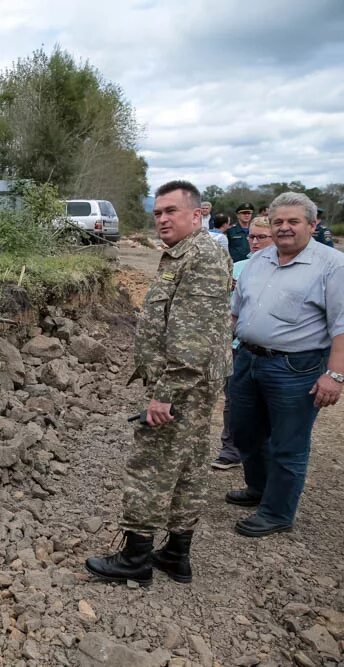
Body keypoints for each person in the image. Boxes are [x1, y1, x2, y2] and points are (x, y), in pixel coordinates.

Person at [85, 181, 232, 585]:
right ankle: (175, 554)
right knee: (187, 467)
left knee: (150, 466)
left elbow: (191, 340)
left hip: (183, 387)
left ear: (197, 214)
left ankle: (136, 558)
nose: (163, 219)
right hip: (192, 386)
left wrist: (164, 396)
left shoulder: (199, 257)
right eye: (158, 212)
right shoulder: (187, 254)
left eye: (172, 211)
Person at [226, 192, 344, 537]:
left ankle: (277, 512)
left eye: (293, 221)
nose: (284, 228)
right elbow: (236, 311)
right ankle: (259, 489)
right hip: (247, 359)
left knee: (288, 443)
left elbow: (342, 325)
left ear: (312, 224)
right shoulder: (259, 261)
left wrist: (334, 375)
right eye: (278, 222)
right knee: (244, 430)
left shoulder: (332, 266)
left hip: (297, 368)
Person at [212, 217, 274, 470]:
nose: (255, 242)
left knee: (267, 405)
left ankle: (265, 454)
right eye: (252, 236)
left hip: (273, 350)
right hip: (236, 346)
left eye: (262, 237)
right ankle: (231, 448)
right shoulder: (237, 266)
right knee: (234, 400)